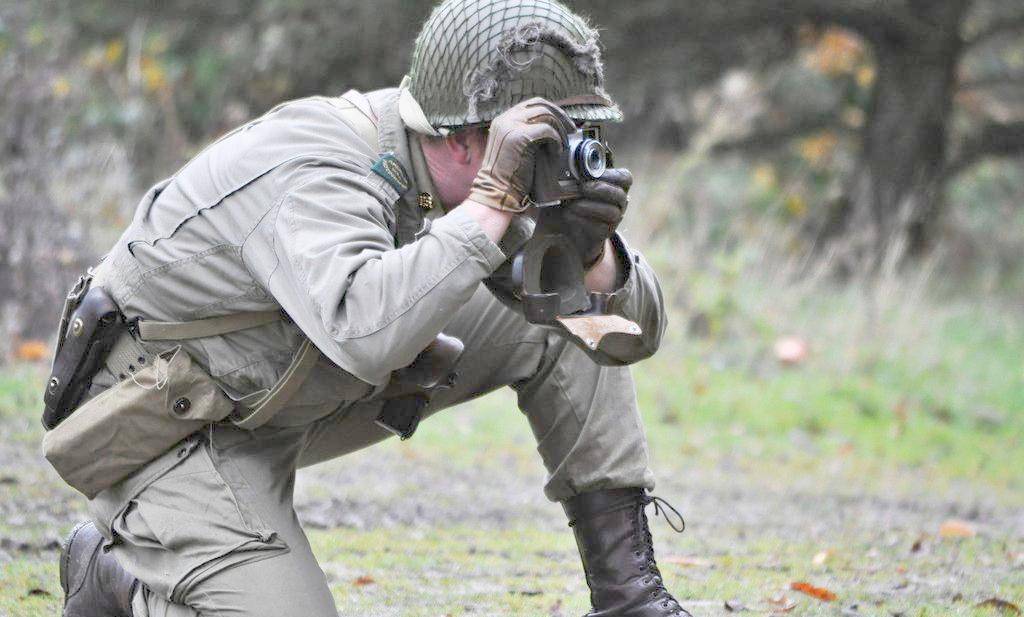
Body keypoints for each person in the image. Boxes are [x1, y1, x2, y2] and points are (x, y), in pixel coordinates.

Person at [53, 0, 690, 615]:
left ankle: (628, 595)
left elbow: (630, 338)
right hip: (176, 419)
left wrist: (589, 259)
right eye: (551, 141)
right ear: (469, 139)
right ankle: (114, 577)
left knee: (554, 324)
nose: (570, 155)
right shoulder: (320, 165)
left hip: (293, 382)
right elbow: (364, 332)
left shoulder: (474, 178)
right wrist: (492, 205)